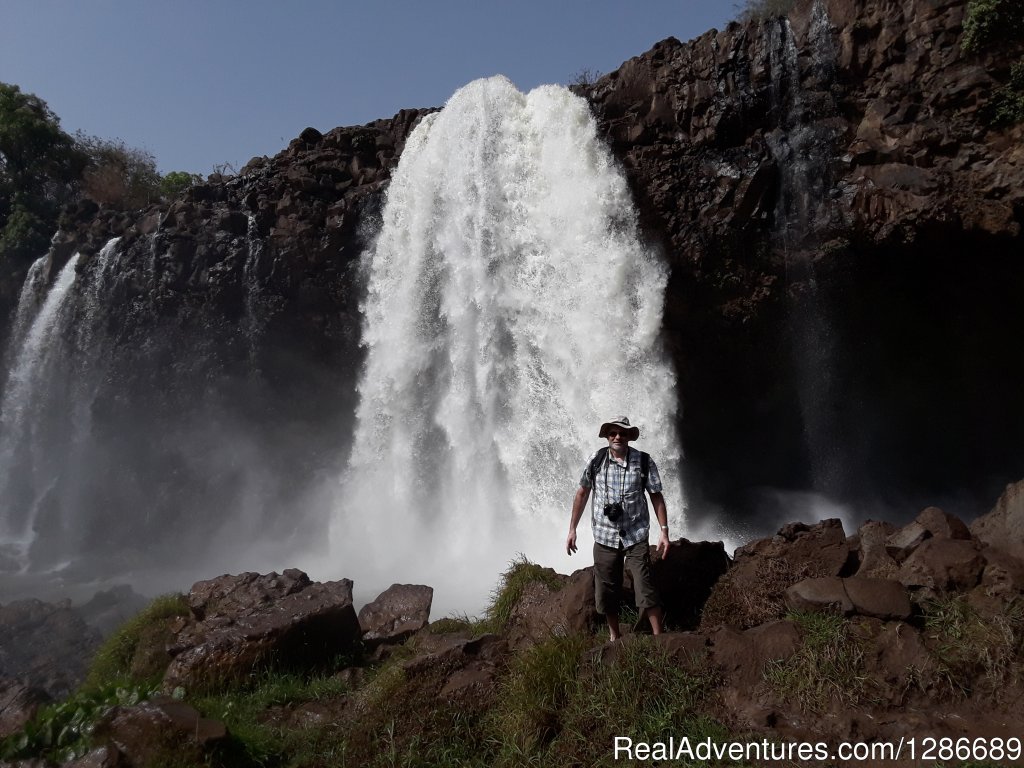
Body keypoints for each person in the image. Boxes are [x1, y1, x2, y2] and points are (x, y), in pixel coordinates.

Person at [566, 416, 670, 641]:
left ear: (629, 437)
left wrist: (664, 531)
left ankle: (659, 639)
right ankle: (615, 637)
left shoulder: (643, 461)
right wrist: (572, 529)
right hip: (605, 536)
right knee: (606, 589)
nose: (617, 437)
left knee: (645, 586)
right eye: (612, 433)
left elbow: (656, 496)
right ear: (606, 436)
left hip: (636, 535)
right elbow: (582, 493)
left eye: (622, 433)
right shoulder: (596, 459)